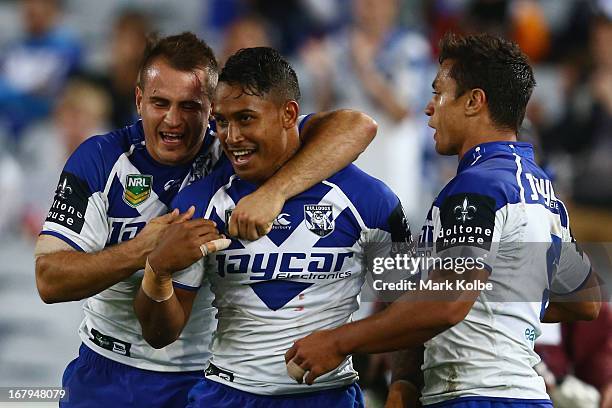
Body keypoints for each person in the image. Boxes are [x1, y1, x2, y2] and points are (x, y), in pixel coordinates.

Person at [34, 33, 378, 408]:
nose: (173, 119)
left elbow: (357, 126)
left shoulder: (234, 146)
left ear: (211, 108)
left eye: (190, 107)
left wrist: (273, 192)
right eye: (160, 103)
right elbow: (49, 279)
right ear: (138, 101)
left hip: (205, 376)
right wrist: (145, 249)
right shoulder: (101, 159)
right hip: (111, 369)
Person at [285, 33, 602, 407]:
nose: (429, 109)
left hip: (477, 396)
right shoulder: (539, 190)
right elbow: (584, 300)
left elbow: (447, 302)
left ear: (473, 101)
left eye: (438, 93)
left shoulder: (478, 187)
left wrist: (338, 341)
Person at [134, 46, 412, 408]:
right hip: (226, 396)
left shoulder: (372, 200)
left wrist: (402, 387)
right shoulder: (199, 203)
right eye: (221, 121)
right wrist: (157, 273)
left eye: (246, 118)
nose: (231, 137)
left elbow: (412, 307)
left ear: (289, 114)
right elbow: (159, 335)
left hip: (326, 397)